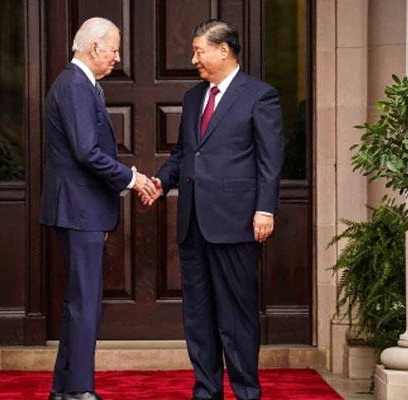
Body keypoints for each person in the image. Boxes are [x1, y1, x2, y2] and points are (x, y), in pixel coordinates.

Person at [144, 19, 284, 400]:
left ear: (224, 50)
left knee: (237, 318)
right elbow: (183, 154)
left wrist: (265, 210)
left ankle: (245, 393)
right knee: (199, 318)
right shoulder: (193, 98)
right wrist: (161, 182)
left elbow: (270, 161)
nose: (193, 60)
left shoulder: (260, 96)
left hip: (236, 223)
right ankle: (206, 392)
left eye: (198, 51)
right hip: (192, 224)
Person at [39, 17, 157, 400]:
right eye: (115, 49)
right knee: (84, 303)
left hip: (82, 209)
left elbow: (88, 153)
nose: (118, 58)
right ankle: (78, 390)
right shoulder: (75, 85)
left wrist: (124, 175)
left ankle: (63, 388)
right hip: (79, 210)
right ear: (94, 48)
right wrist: (131, 178)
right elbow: (86, 152)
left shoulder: (81, 85)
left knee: (80, 300)